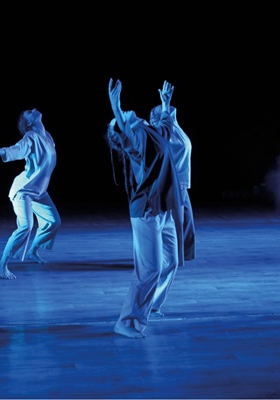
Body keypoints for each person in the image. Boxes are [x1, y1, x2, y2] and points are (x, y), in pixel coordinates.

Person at [106, 78, 185, 339]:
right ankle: (126, 321)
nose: (126, 113)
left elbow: (166, 127)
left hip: (164, 210)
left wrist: (166, 103)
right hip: (147, 211)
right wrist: (116, 108)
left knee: (171, 262)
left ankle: (149, 307)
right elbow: (125, 134)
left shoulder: (150, 130)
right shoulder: (136, 139)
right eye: (120, 119)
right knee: (149, 269)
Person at [0, 108, 61, 280]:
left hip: (39, 191)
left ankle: (32, 251)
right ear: (29, 122)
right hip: (23, 190)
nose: (34, 109)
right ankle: (2, 266)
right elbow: (16, 150)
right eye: (29, 112)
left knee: (53, 221)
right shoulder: (31, 137)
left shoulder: (48, 136)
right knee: (26, 226)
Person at [148, 104, 196, 317]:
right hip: (171, 189)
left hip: (181, 187)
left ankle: (154, 301)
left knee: (184, 236)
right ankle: (151, 301)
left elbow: (171, 119)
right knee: (173, 249)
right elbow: (165, 123)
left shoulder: (176, 129)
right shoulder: (161, 133)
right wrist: (165, 104)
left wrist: (167, 105)